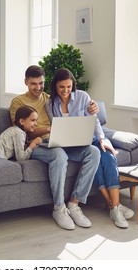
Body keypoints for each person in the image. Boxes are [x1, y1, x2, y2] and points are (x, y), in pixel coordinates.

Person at [9, 65, 100, 230]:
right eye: (33, 84)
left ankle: (74, 203)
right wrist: (49, 129)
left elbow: (70, 107)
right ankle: (59, 208)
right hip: (35, 144)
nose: (38, 87)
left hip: (57, 141)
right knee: (59, 155)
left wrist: (93, 107)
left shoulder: (49, 99)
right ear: (26, 82)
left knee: (93, 152)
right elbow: (21, 130)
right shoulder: (18, 102)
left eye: (41, 83)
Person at [46, 68, 134, 228]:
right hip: (67, 146)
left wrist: (102, 138)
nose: (66, 91)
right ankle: (114, 206)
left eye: (69, 87)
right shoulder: (50, 104)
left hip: (88, 140)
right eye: (61, 87)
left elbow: (95, 121)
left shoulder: (83, 97)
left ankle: (110, 206)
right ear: (55, 86)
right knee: (95, 156)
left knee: (104, 155)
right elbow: (56, 128)